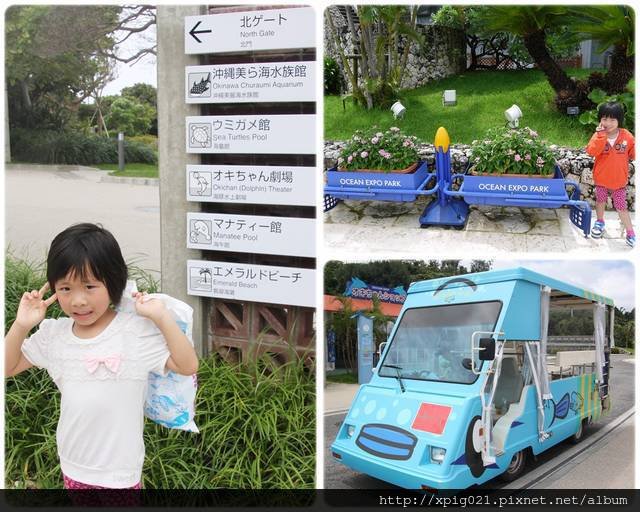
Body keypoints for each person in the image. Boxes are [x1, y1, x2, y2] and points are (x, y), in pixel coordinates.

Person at [4, 223, 199, 489]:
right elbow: (8, 366)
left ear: (113, 281)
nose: (78, 300)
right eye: (65, 289)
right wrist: (22, 324)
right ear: (53, 288)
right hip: (73, 465)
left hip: (120, 473)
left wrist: (161, 316)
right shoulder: (55, 335)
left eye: (89, 286)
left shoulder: (134, 331)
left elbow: (187, 365)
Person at [585, 102, 636, 247]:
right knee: (600, 201)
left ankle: (630, 232)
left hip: (619, 181)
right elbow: (591, 152)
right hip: (601, 179)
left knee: (621, 207)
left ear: (619, 120)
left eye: (612, 120)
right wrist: (601, 136)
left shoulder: (627, 136)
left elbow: (633, 154)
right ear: (600, 120)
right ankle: (600, 222)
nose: (608, 123)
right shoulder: (598, 135)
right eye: (604, 119)